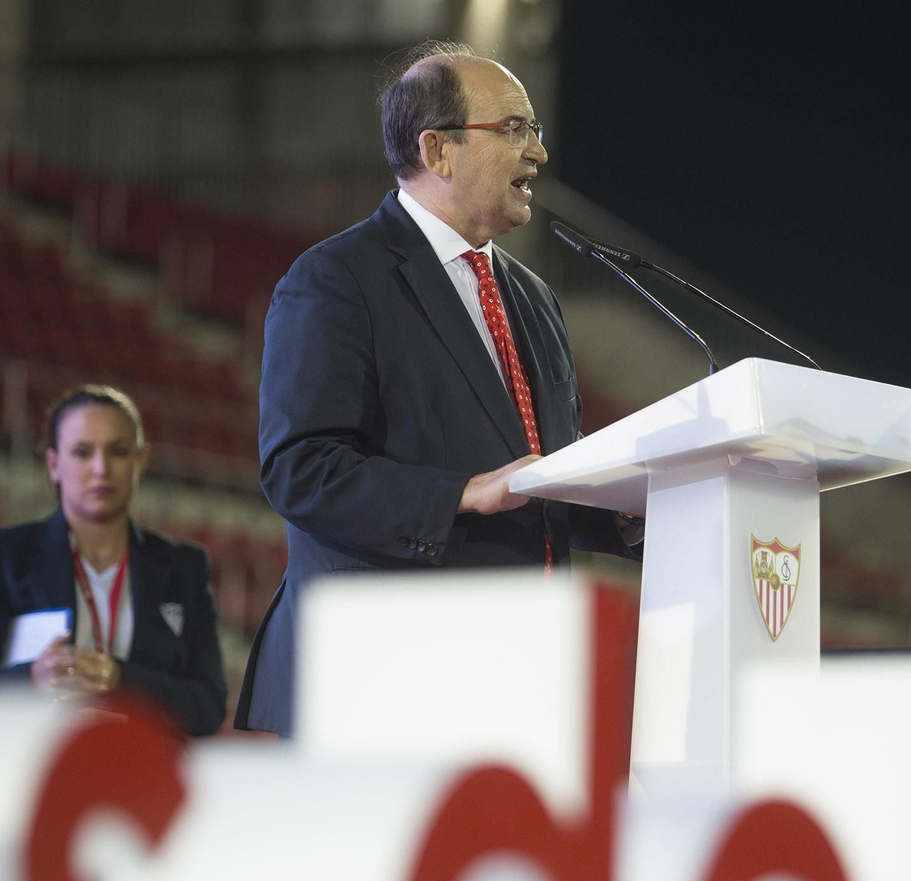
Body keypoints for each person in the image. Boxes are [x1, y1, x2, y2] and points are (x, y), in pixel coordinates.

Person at [235, 41, 640, 736]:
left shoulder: (533, 298)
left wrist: (659, 504)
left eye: (534, 129)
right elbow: (300, 471)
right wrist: (461, 492)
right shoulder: (337, 279)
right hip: (378, 684)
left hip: (515, 680)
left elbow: (542, 481)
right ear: (437, 149)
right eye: (514, 128)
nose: (538, 152)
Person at [0, 385, 227, 737]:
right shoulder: (4, 554)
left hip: (143, 774)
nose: (100, 468)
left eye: (118, 451)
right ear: (53, 464)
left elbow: (209, 707)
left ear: (140, 461)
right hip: (36, 772)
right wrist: (30, 679)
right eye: (82, 452)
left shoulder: (186, 568)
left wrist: (122, 678)